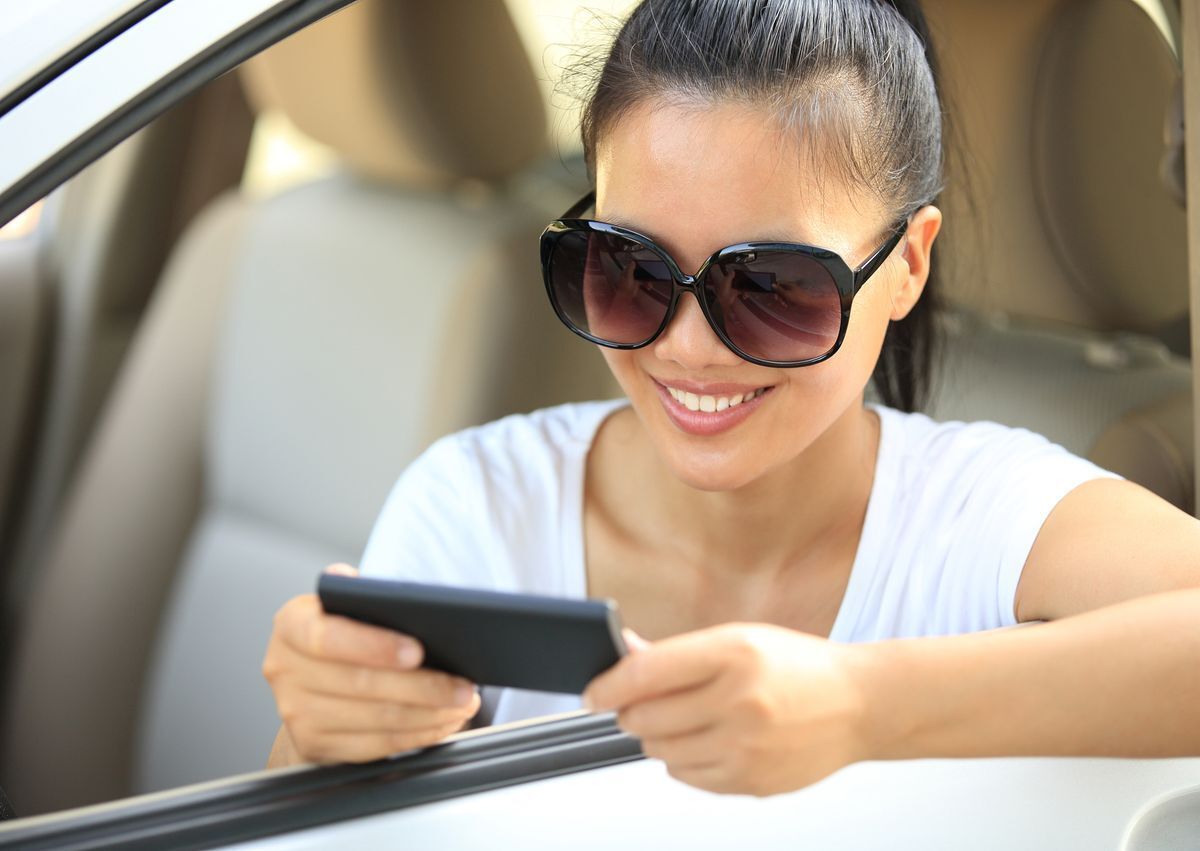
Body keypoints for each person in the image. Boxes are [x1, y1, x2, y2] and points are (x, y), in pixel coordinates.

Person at [262, 0, 1200, 795]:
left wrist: (861, 705)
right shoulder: (475, 508)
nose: (687, 348)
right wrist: (319, 733)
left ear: (908, 264)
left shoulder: (985, 520)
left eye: (774, 287)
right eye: (629, 267)